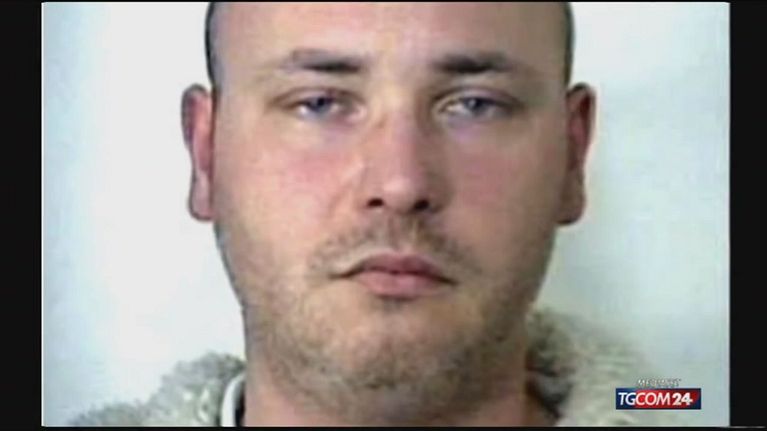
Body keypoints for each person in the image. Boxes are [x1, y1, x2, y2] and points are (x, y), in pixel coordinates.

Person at [71, 2, 685, 426]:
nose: (401, 183)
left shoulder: (674, 404)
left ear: (572, 157)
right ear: (206, 155)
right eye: (319, 103)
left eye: (475, 105)